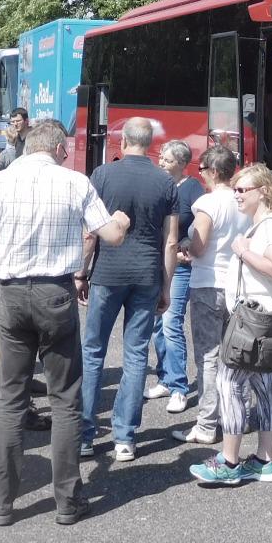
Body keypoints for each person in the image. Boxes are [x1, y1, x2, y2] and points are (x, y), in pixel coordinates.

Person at [0, 118, 130, 527]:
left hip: (13, 295)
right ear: (58, 149)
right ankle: (68, 501)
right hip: (56, 293)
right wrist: (120, 221)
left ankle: (1, 502)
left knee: (11, 399)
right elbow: (111, 236)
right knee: (65, 399)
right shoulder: (74, 183)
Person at [189, 165, 272, 487]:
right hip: (267, 315)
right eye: (236, 189)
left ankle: (229, 463)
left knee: (229, 382)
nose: (237, 195)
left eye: (244, 190)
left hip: (256, 318)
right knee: (263, 386)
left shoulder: (269, 226)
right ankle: (264, 462)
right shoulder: (266, 224)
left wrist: (242, 251)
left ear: (263, 192)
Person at [79, 117, 177, 462]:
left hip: (108, 272)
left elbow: (91, 232)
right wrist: (166, 286)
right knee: (136, 355)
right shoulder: (166, 181)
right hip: (147, 274)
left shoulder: (103, 175)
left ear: (122, 141)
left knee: (92, 352)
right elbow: (170, 240)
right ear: (151, 145)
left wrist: (82, 272)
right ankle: (125, 437)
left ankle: (85, 436)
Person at [173, 143, 242, 445]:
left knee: (208, 357)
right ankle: (235, 417)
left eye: (202, 170)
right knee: (234, 357)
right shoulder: (243, 202)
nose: (200, 176)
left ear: (214, 171)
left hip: (207, 282)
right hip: (237, 284)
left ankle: (205, 425)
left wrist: (184, 248)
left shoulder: (207, 203)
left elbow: (199, 245)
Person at [146, 139, 200, 412]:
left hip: (180, 266)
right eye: (161, 158)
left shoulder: (192, 189)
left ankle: (179, 387)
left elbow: (202, 224)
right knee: (157, 323)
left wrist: (187, 245)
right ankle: (165, 377)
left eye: (166, 160)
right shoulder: (162, 185)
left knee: (171, 322)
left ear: (180, 163)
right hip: (158, 262)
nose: (161, 162)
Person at [0, 107, 30, 171]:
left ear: (26, 121)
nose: (15, 124)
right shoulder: (17, 139)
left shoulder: (33, 137)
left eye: (18, 121)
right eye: (13, 122)